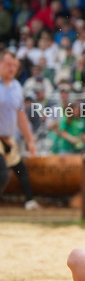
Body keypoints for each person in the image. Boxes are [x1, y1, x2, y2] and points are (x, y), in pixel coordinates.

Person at [0, 50, 39, 210]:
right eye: (8, 64)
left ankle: (29, 201)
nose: (11, 69)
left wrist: (30, 140)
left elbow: (21, 116)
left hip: (9, 138)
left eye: (14, 66)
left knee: (20, 169)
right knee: (2, 174)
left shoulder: (16, 86)